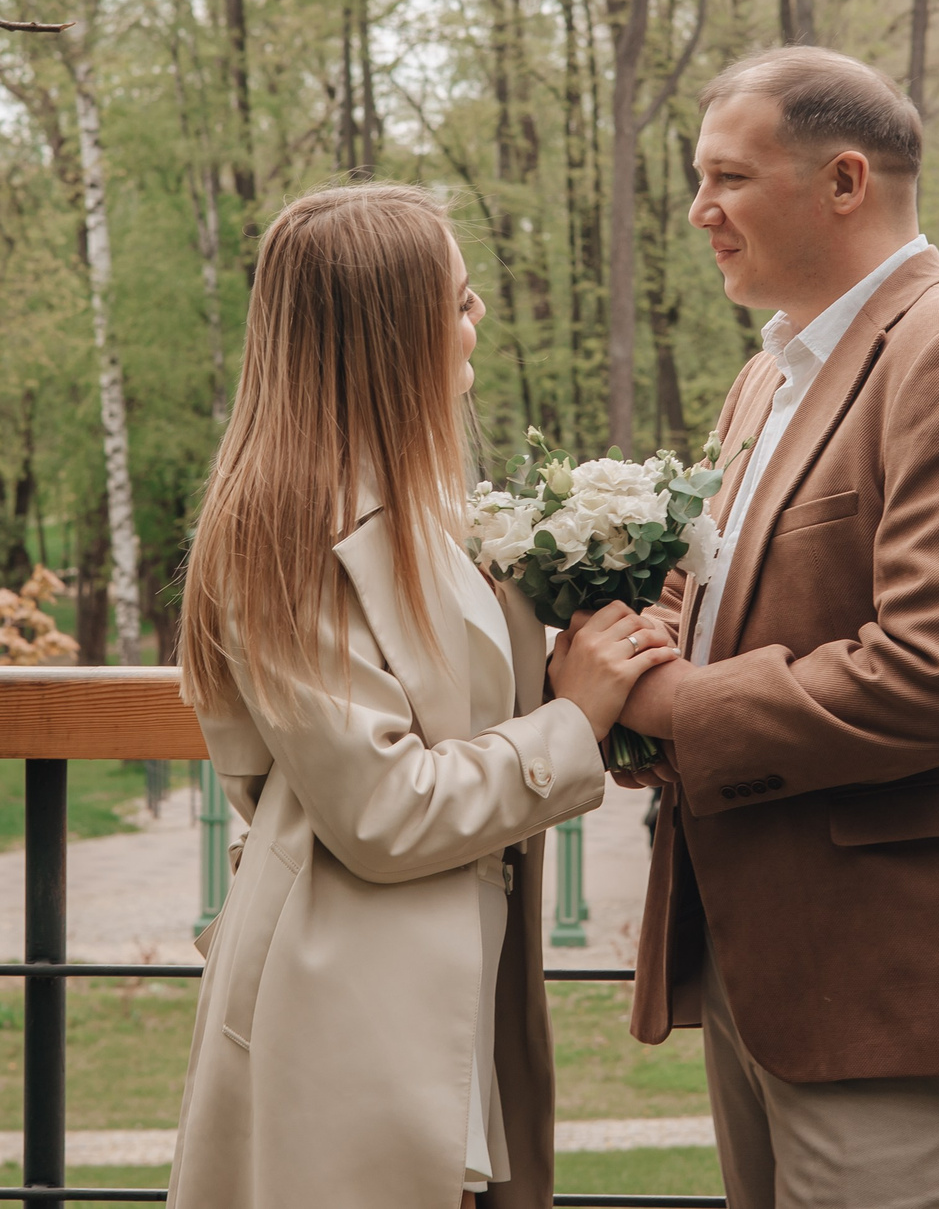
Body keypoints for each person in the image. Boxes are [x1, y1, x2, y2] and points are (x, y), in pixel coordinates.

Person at [614, 47, 939, 1209]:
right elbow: (713, 601)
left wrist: (667, 709)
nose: (699, 212)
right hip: (768, 957)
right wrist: (617, 668)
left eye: (727, 180)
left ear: (844, 181)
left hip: (909, 978)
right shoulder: (770, 378)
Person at [167, 182, 677, 1209]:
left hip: (443, 979)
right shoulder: (288, 525)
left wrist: (609, 667)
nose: (475, 315)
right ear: (388, 331)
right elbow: (381, 808)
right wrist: (572, 719)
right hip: (346, 993)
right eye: (456, 299)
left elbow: (454, 707)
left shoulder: (422, 506)